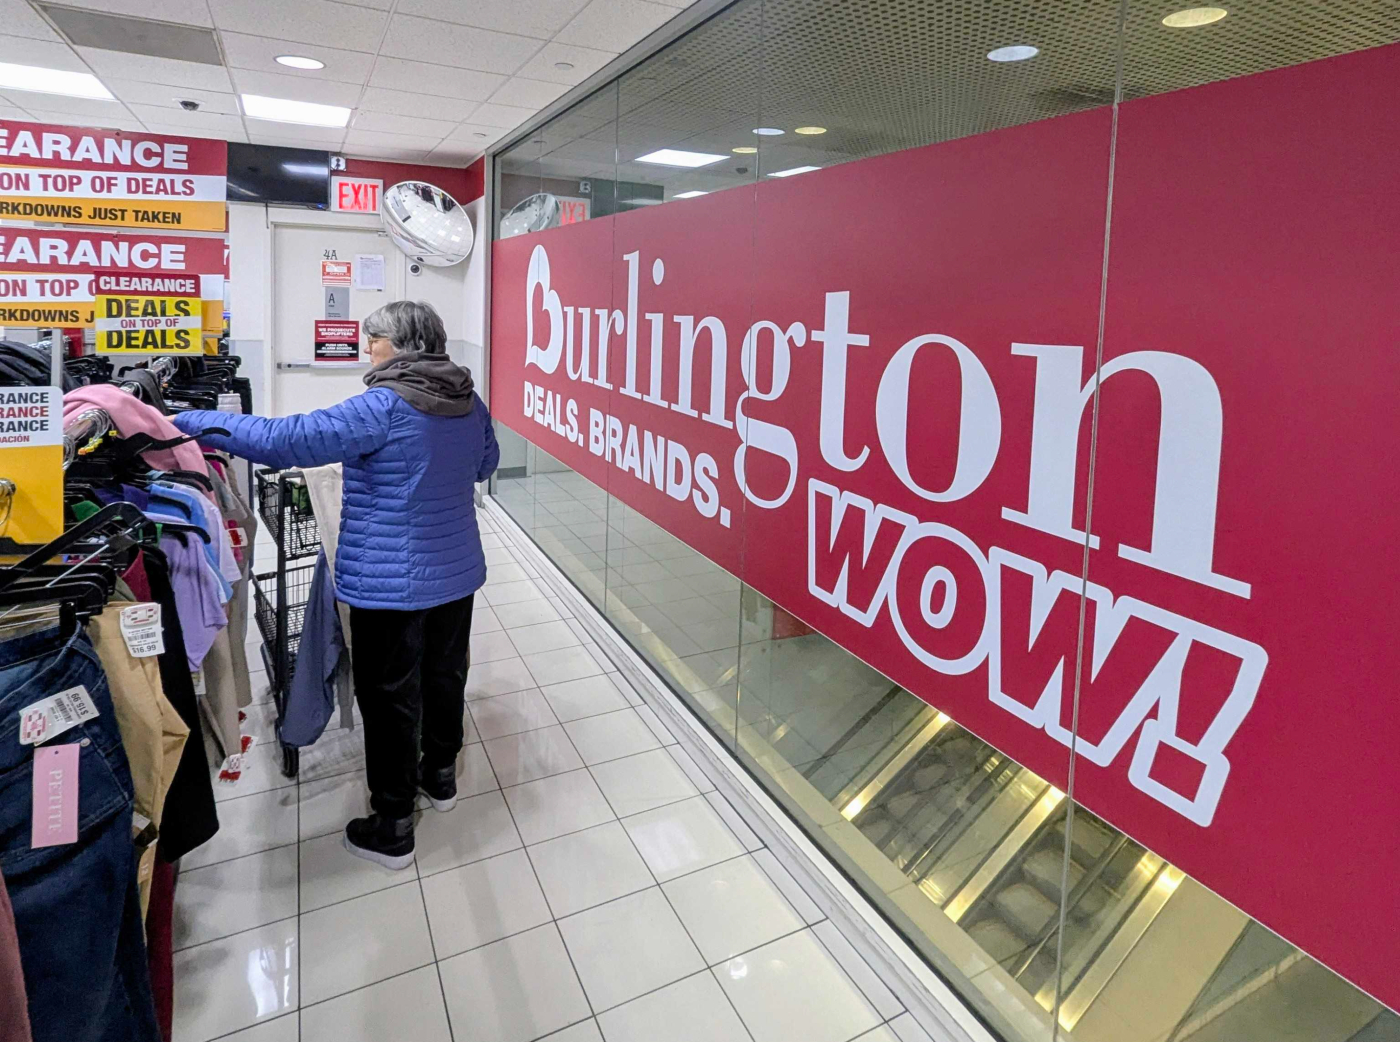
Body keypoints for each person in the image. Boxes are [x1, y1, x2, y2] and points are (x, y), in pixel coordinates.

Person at [171, 300, 498, 869]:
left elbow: (285, 440)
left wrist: (190, 422)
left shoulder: (383, 405)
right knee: (445, 675)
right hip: (457, 574)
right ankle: (440, 778)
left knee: (390, 699)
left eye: (373, 339)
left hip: (388, 586)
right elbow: (483, 465)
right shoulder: (469, 402)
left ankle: (393, 825)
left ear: (398, 345)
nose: (367, 349)